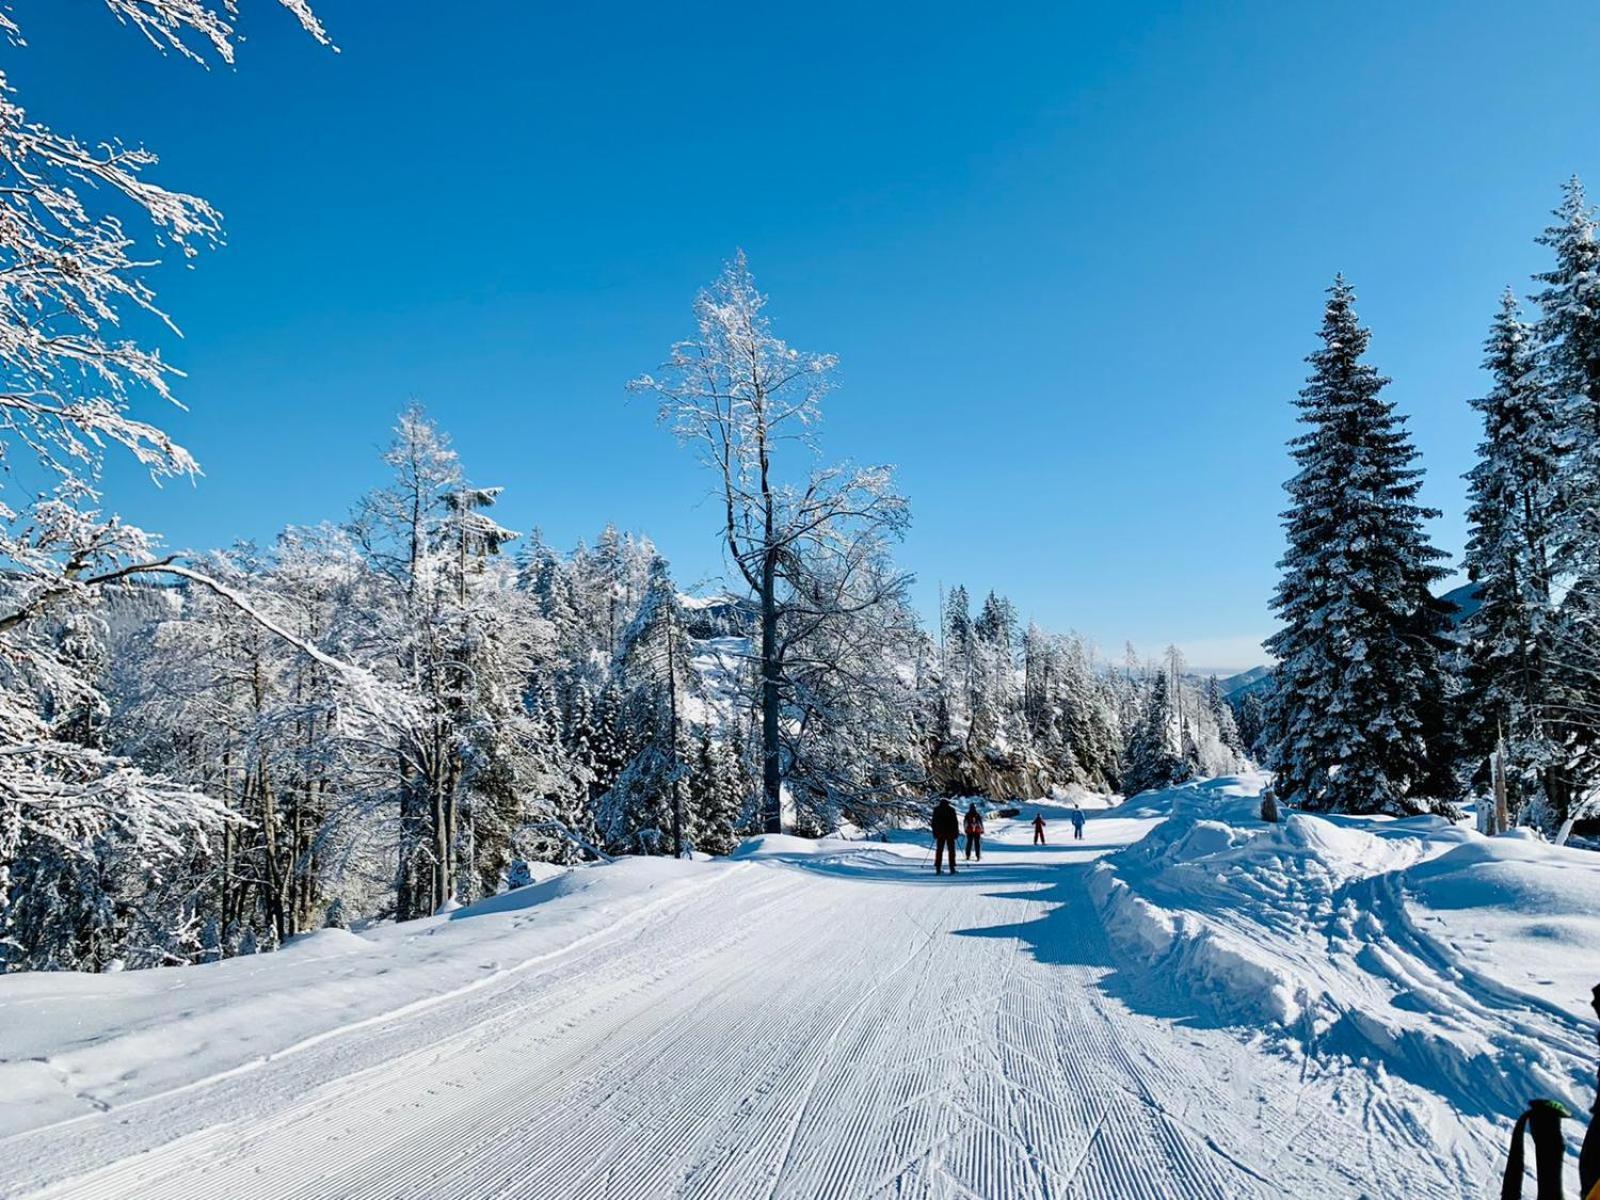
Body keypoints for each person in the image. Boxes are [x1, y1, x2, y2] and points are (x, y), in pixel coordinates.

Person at [931, 798, 960, 875]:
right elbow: (955, 823)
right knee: (951, 851)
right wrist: (956, 833)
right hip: (950, 834)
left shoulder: (936, 810)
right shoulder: (951, 810)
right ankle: (952, 868)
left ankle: (938, 868)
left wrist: (935, 832)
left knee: (939, 851)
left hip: (940, 834)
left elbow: (933, 822)